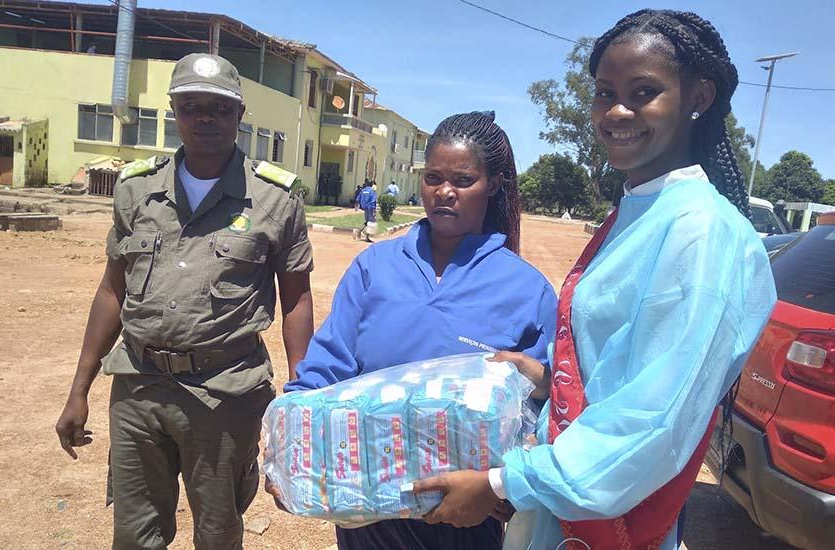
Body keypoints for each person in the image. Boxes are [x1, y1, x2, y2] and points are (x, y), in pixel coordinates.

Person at [412, 11, 777, 550]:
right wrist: (545, 379)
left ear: (699, 97)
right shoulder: (640, 210)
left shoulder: (701, 232)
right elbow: (621, 364)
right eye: (605, 93)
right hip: (565, 517)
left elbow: (651, 424)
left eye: (643, 91)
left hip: (605, 523)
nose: (617, 112)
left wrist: (498, 484)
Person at [54, 53, 315, 550]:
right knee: (135, 536)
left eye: (218, 108)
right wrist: (79, 388)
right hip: (138, 387)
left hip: (224, 395)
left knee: (217, 535)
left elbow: (296, 297)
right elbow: (112, 290)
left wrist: (302, 388)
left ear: (239, 116)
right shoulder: (136, 190)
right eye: (192, 106)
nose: (205, 118)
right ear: (175, 111)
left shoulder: (275, 198)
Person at [272, 111, 558, 550]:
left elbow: (544, 406)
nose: (445, 192)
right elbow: (327, 367)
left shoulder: (526, 290)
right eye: (433, 177)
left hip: (463, 521)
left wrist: (508, 483)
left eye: (463, 180)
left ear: (494, 185)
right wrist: (289, 438)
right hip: (367, 505)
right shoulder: (375, 268)